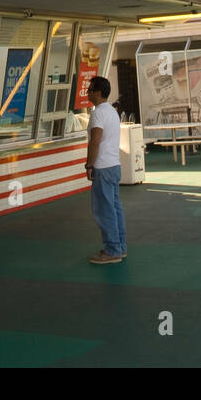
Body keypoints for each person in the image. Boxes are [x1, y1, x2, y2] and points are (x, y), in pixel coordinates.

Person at [85, 76, 127, 264]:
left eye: (91, 89)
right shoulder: (111, 111)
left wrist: (89, 164)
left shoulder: (97, 114)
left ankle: (112, 250)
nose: (88, 92)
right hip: (114, 165)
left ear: (99, 92)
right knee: (115, 207)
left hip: (102, 166)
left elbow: (95, 141)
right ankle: (120, 246)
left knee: (104, 209)